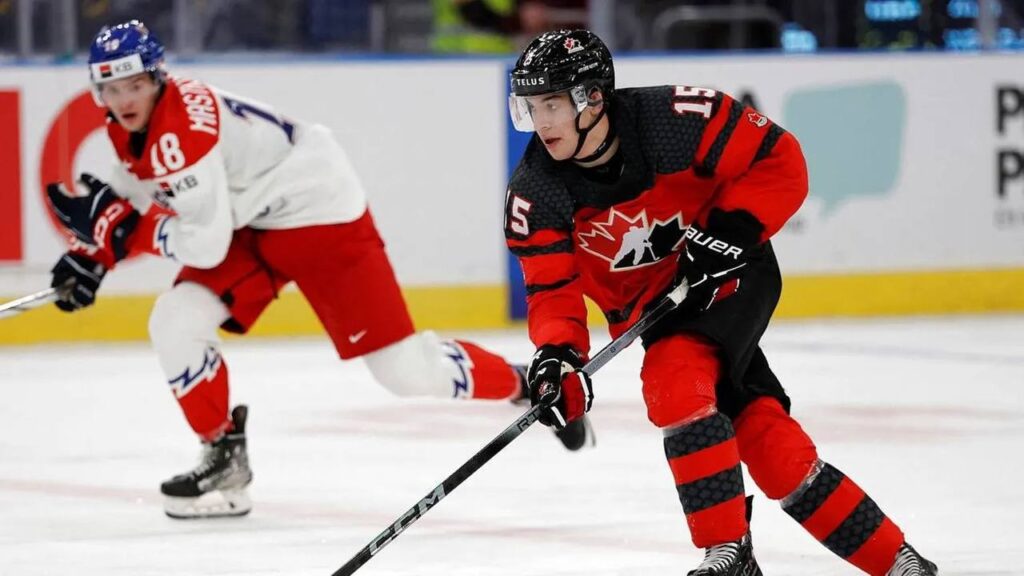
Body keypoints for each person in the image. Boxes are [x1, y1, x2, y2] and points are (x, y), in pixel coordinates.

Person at [45, 20, 593, 520]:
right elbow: (129, 194)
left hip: (317, 212)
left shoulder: (180, 131)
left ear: (157, 77)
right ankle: (223, 457)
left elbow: (204, 244)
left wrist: (123, 235)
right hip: (251, 218)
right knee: (175, 319)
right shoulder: (133, 124)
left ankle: (521, 383)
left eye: (135, 85)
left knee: (402, 371)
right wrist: (91, 256)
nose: (124, 99)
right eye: (112, 89)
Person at [504, 29, 937, 576]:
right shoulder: (536, 193)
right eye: (531, 107)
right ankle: (897, 561)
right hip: (658, 309)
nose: (541, 122)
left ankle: (728, 552)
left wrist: (724, 234)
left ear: (592, 98)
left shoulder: (672, 121)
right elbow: (552, 291)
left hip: (732, 272)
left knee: (674, 379)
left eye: (552, 104)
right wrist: (558, 357)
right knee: (767, 443)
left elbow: (780, 159)